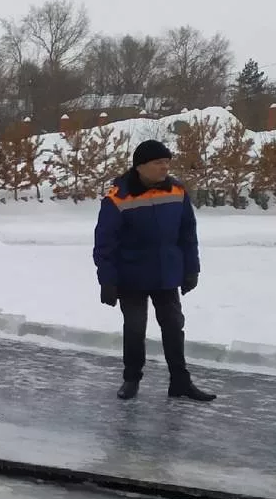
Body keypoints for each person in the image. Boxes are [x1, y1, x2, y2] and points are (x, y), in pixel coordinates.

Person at [93, 139, 216, 402]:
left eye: (167, 163)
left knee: (173, 325)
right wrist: (107, 280)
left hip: (166, 274)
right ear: (141, 166)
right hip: (131, 276)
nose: (165, 168)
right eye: (159, 163)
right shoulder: (118, 197)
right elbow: (105, 243)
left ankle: (180, 381)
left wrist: (191, 269)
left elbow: (187, 234)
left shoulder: (176, 191)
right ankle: (131, 378)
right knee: (135, 328)